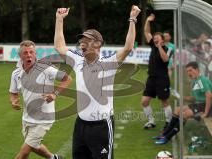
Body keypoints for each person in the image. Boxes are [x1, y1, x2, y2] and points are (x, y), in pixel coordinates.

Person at [54, 6, 141, 159]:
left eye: (87, 40)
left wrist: (132, 18)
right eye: (81, 40)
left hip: (101, 127)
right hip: (80, 125)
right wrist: (59, 20)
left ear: (98, 44)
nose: (82, 43)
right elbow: (60, 46)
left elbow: (128, 48)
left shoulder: (108, 64)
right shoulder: (77, 60)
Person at [9, 40, 72, 159]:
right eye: (25, 53)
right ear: (20, 55)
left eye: (31, 52)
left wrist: (54, 94)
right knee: (33, 146)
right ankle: (53, 157)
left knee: (24, 152)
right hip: (27, 118)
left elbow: (68, 79)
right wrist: (14, 101)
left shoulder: (46, 68)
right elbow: (13, 93)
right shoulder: (16, 73)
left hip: (44, 118)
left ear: (35, 54)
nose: (29, 55)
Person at [154, 61, 212, 145]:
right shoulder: (195, 81)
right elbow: (194, 98)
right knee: (177, 110)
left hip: (206, 105)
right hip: (199, 104)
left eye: (191, 70)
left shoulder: (202, 80)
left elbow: (209, 96)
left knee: (185, 114)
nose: (189, 73)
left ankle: (167, 138)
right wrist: (180, 97)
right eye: (187, 71)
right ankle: (164, 134)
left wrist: (206, 113)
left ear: (197, 70)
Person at [142, 13, 172, 130]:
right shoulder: (153, 46)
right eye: (154, 38)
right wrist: (148, 21)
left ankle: (169, 122)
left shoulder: (167, 49)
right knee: (144, 101)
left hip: (162, 79)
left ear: (162, 40)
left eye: (157, 37)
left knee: (164, 101)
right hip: (151, 78)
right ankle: (151, 121)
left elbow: (165, 59)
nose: (154, 38)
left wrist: (160, 46)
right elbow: (146, 32)